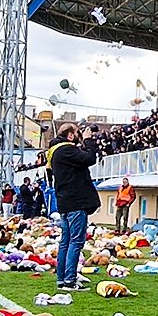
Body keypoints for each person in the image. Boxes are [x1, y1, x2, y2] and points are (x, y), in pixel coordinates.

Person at [46, 122, 102, 291]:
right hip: (75, 202)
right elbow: (90, 158)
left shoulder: (55, 152)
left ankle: (62, 279)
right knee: (75, 242)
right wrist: (88, 141)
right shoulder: (66, 150)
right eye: (76, 134)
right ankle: (69, 280)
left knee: (65, 242)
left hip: (65, 202)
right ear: (70, 135)